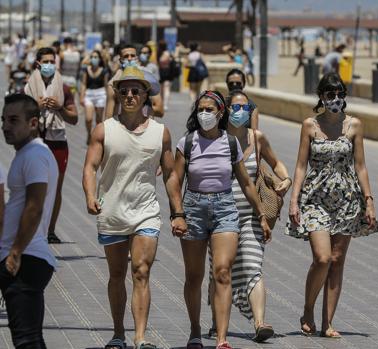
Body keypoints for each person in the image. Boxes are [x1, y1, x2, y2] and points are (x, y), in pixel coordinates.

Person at [83, 66, 185, 349]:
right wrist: (90, 195)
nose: (129, 95)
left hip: (146, 212)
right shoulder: (104, 130)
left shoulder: (160, 132)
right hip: (112, 211)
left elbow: (171, 174)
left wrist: (178, 212)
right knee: (117, 275)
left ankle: (141, 337)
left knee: (141, 271)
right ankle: (118, 333)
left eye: (135, 91)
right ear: (116, 94)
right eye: (124, 90)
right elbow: (90, 167)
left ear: (145, 96)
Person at [174, 90, 270, 349]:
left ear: (220, 113)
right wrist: (178, 214)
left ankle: (222, 338)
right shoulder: (187, 142)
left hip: (226, 208)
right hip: (194, 208)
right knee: (194, 276)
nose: (205, 114)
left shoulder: (230, 143)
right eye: (201, 110)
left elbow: (246, 183)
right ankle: (195, 331)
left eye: (210, 110)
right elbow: (175, 181)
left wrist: (261, 214)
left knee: (222, 272)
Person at [286, 72, 378, 338]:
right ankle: (308, 309)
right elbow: (301, 165)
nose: (335, 99)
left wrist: (369, 201)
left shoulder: (355, 126)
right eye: (329, 94)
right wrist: (294, 200)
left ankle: (327, 323)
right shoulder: (309, 125)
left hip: (347, 200)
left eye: (339, 94)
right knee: (322, 258)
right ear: (321, 96)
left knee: (337, 261)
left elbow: (360, 166)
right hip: (315, 198)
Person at [207, 90, 292, 342]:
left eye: (245, 107)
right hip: (221, 216)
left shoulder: (257, 139)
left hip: (253, 217)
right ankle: (215, 322)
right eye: (235, 107)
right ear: (225, 110)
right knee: (220, 271)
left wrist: (285, 179)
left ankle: (259, 322)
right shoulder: (216, 138)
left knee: (253, 266)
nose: (240, 111)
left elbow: (276, 163)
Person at [0, 93, 58, 349]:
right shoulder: (28, 153)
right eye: (3, 120)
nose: (5, 126)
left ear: (33, 123)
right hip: (24, 255)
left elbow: (34, 206)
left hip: (25, 258)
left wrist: (14, 252)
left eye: (14, 120)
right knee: (27, 339)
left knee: (27, 341)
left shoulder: (34, 155)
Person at [24, 47, 78, 244]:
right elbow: (20, 116)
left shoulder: (63, 87)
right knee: (34, 186)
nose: (49, 65)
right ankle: (33, 227)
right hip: (35, 141)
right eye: (45, 61)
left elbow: (74, 118)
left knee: (55, 188)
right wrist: (35, 107)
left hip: (57, 142)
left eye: (51, 61)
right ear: (38, 63)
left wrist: (60, 108)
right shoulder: (28, 87)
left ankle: (51, 230)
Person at [105, 43, 163, 119]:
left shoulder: (148, 77)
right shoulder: (113, 83)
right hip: (121, 128)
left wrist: (136, 110)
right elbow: (108, 116)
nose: (129, 59)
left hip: (144, 127)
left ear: (137, 58)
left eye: (132, 56)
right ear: (121, 60)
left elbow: (160, 110)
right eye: (126, 56)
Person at [80, 50, 109, 145]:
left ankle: (97, 137)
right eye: (92, 57)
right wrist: (81, 96)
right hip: (89, 94)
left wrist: (108, 98)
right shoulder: (86, 69)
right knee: (88, 118)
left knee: (99, 119)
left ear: (99, 59)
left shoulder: (104, 71)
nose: (93, 59)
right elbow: (84, 83)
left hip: (101, 94)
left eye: (96, 57)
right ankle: (89, 133)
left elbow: (106, 85)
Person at [158, 40, 180, 111]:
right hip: (167, 71)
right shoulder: (167, 53)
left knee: (161, 89)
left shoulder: (158, 53)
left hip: (160, 71)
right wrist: (177, 48)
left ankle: (161, 103)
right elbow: (175, 56)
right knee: (167, 88)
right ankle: (165, 105)